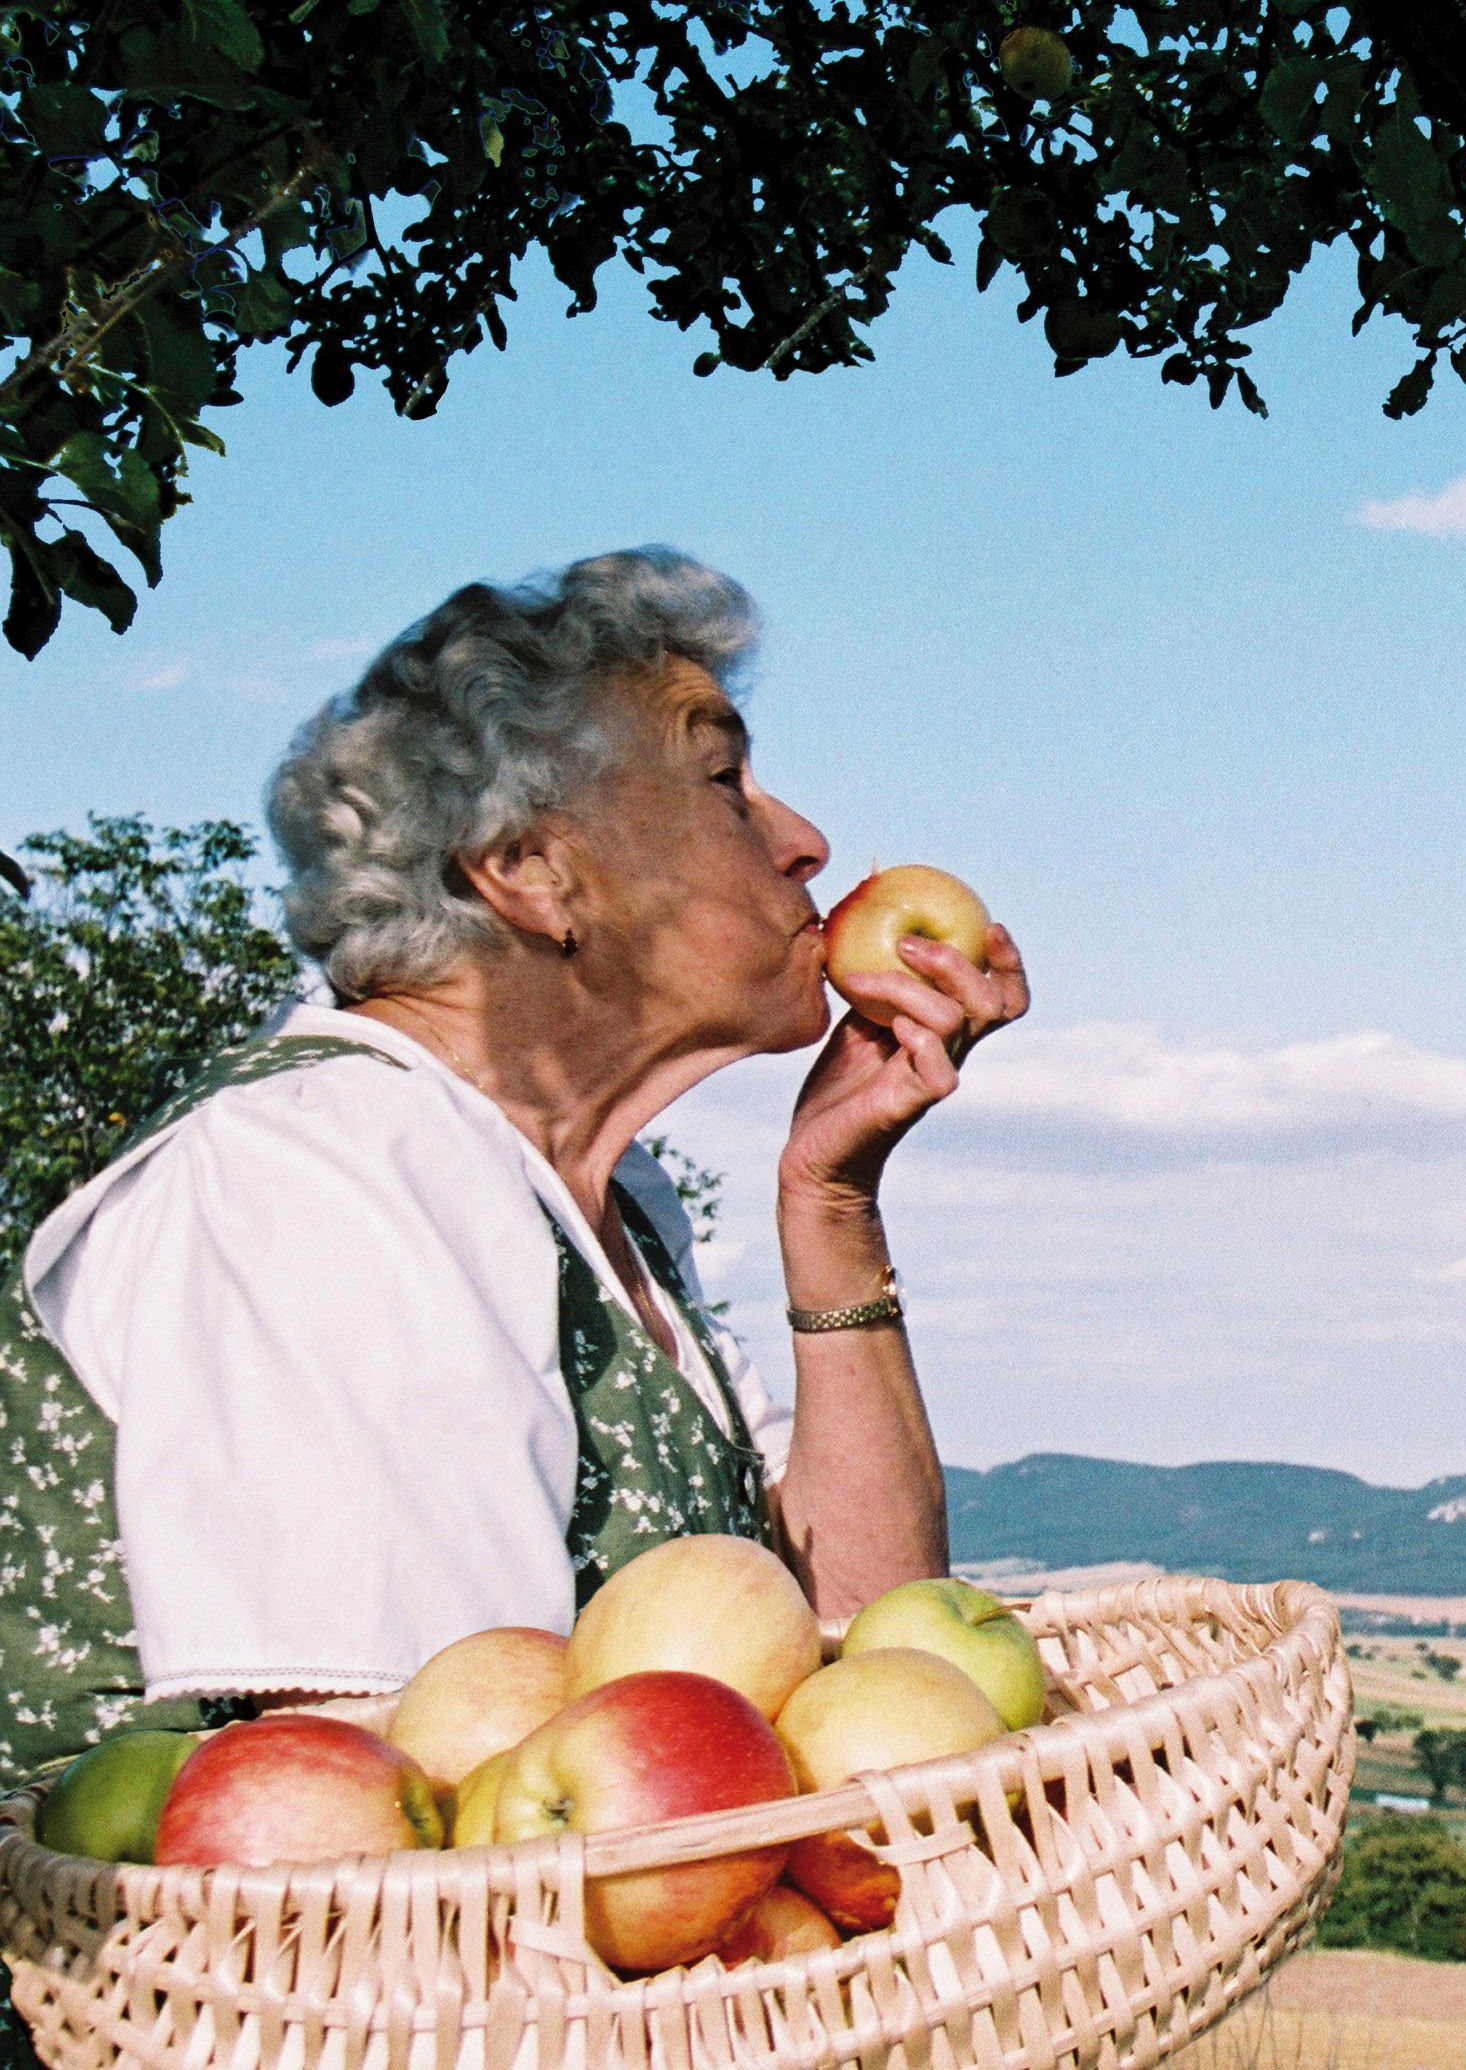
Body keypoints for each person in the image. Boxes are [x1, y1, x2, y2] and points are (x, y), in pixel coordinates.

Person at [0, 547, 1027, 1796]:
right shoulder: (326, 1173)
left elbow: (863, 1658)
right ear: (531, 870)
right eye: (723, 780)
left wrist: (831, 1204)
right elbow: (430, 1814)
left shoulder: (600, 1202)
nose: (805, 842)